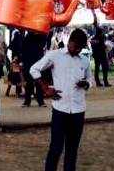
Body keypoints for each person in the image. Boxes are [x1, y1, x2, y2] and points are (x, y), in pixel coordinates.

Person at [30, 28, 91, 171]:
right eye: (76, 46)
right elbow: (34, 69)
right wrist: (45, 88)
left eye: (81, 48)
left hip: (78, 110)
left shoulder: (84, 60)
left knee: (72, 148)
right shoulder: (55, 55)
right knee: (56, 147)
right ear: (69, 42)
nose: (78, 50)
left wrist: (86, 84)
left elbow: (89, 79)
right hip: (60, 109)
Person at [21, 31, 47, 107]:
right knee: (29, 83)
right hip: (29, 62)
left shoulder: (41, 36)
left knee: (38, 81)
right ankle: (27, 101)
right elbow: (23, 50)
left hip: (38, 62)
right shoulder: (27, 37)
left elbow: (43, 44)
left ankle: (40, 100)